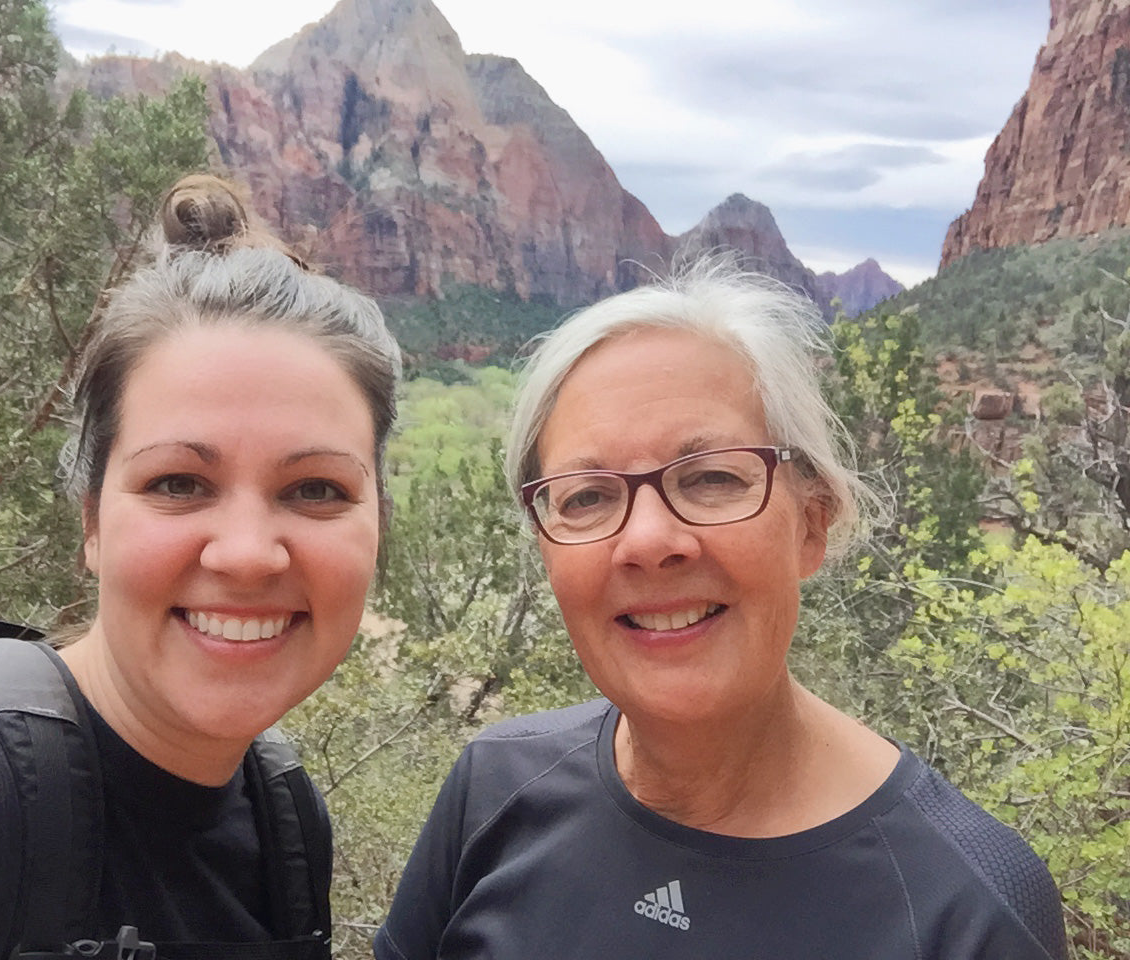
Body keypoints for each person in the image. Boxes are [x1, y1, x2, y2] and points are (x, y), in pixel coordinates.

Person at [374, 258, 1067, 960]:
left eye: (711, 477)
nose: (647, 541)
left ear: (812, 522)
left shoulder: (971, 906)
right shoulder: (494, 787)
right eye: (587, 495)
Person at [0, 174, 402, 960]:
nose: (246, 554)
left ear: (378, 520)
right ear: (91, 520)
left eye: (316, 489)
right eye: (178, 482)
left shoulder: (286, 823)